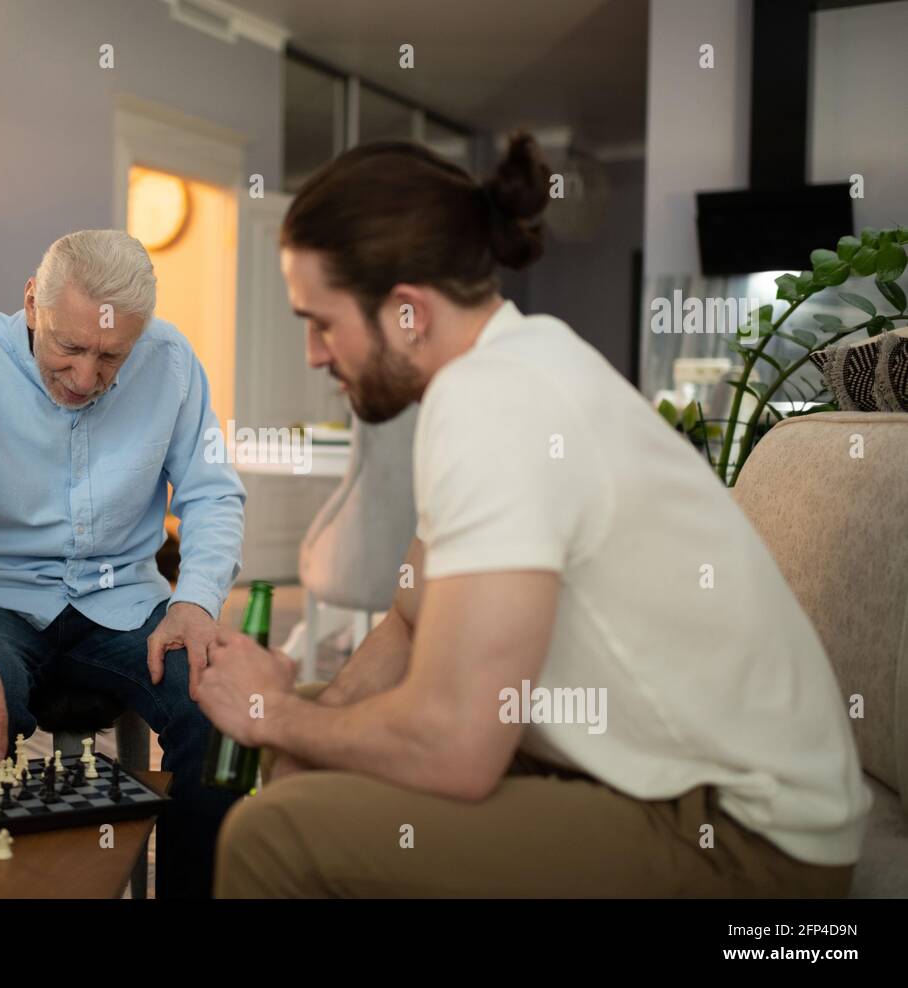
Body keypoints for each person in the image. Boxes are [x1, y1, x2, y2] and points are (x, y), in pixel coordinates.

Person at [197, 136, 871, 898]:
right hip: (642, 771)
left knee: (269, 837)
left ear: (408, 310)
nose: (316, 353)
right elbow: (412, 619)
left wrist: (270, 712)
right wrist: (303, 723)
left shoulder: (497, 402)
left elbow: (455, 747)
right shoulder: (500, 370)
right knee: (311, 752)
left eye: (321, 321)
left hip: (746, 838)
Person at [0, 229, 245, 897]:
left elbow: (212, 493)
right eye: (69, 347)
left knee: (217, 705)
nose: (86, 378)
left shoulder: (173, 362)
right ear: (32, 303)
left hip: (127, 600)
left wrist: (194, 602)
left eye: (111, 356)